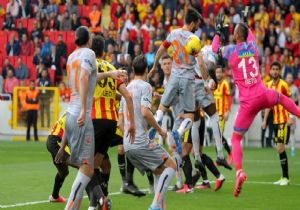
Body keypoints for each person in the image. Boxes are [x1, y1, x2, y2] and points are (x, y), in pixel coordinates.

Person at [212, 12, 300, 197]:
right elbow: (249, 32)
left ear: (236, 36)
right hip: (262, 94)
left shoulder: (230, 50)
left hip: (247, 103)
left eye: (234, 31)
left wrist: (218, 31)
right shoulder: (253, 45)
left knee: (235, 138)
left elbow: (214, 50)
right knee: (282, 99)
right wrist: (244, 21)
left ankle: (239, 171)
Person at [63, 26, 127, 210]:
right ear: (89, 40)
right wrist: (84, 109)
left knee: (88, 168)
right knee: (87, 167)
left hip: (71, 112)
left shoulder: (71, 57)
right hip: (83, 115)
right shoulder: (89, 53)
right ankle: (86, 204)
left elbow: (89, 76)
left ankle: (90, 204)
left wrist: (109, 74)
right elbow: (84, 77)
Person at [119, 55, 176, 210]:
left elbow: (120, 122)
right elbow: (144, 112)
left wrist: (128, 136)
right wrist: (160, 130)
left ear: (132, 70)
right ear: (146, 70)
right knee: (172, 166)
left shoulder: (125, 88)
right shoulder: (146, 87)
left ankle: (159, 207)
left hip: (128, 145)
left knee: (159, 171)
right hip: (140, 142)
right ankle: (155, 205)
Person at [149, 7, 205, 159]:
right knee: (190, 117)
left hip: (174, 76)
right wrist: (206, 80)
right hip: (187, 78)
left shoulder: (173, 33)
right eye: (197, 24)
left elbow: (161, 49)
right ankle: (179, 132)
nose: (197, 27)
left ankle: (156, 124)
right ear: (192, 23)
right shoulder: (194, 40)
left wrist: (154, 66)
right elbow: (200, 63)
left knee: (162, 107)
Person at [87, 35, 135, 209]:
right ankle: (101, 199)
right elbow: (127, 95)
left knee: (86, 166)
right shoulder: (112, 67)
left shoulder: (91, 66)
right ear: (105, 50)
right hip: (111, 122)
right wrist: (133, 123)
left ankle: (98, 201)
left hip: (95, 120)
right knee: (101, 164)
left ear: (92, 49)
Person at [262, 62, 292, 186]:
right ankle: (284, 177)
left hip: (284, 121)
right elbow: (269, 104)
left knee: (280, 148)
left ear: (279, 71)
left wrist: (290, 116)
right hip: (275, 121)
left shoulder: (284, 85)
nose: (274, 71)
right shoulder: (268, 85)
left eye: (276, 69)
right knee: (279, 149)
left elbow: (290, 101)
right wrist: (264, 120)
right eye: (273, 69)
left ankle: (285, 177)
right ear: (270, 71)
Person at [213, 65, 232, 163]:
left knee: (218, 135)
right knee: (216, 136)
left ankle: (229, 154)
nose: (218, 74)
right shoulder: (212, 84)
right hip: (213, 114)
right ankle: (220, 158)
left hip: (221, 114)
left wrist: (227, 111)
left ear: (223, 74)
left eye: (220, 72)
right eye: (217, 72)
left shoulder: (225, 84)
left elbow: (229, 98)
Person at [285, 72, 299, 157]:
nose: (289, 79)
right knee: (283, 130)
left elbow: (298, 99)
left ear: (292, 79)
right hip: (284, 111)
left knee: (292, 131)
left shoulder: (295, 89)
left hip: (292, 112)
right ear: (286, 79)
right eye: (288, 77)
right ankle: (283, 148)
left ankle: (293, 148)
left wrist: (297, 111)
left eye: (290, 77)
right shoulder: (283, 87)